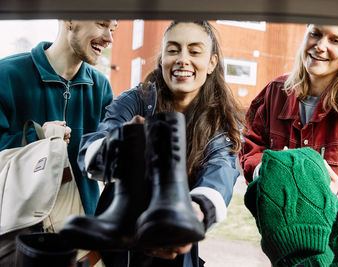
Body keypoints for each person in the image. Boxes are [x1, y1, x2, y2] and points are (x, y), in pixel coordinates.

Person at [77, 20, 243, 266]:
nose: (182, 59)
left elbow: (221, 172)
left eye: (194, 51)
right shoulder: (136, 100)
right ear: (162, 59)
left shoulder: (220, 122)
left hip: (174, 239)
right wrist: (118, 142)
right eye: (173, 50)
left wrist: (193, 215)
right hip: (117, 242)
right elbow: (89, 152)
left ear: (211, 63)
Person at [239, 24, 338, 266]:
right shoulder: (275, 93)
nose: (320, 45)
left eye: (335, 40)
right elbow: (251, 147)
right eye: (315, 33)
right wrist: (270, 171)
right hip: (289, 252)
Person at [0, 20, 117, 265]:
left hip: (82, 244)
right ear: (69, 18)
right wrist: (38, 138)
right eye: (102, 24)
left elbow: (104, 166)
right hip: (16, 238)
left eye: (113, 29)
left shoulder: (101, 88)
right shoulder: (6, 75)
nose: (109, 38)